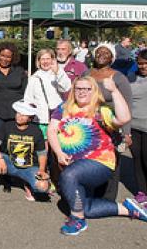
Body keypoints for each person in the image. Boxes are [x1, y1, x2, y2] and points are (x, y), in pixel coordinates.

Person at [47, 76, 147, 235]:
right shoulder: (63, 107)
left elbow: (124, 118)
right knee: (84, 207)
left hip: (99, 162)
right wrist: (59, 153)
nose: (82, 92)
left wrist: (114, 90)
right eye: (78, 88)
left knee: (69, 176)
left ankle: (78, 221)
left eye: (87, 89)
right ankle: (128, 209)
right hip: (72, 164)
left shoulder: (101, 110)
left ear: (94, 91)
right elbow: (51, 130)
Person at [0, 101, 49, 201]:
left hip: (29, 167)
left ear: (30, 118)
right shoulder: (7, 125)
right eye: (18, 113)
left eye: (24, 115)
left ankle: (27, 183)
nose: (20, 116)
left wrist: (41, 170)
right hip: (9, 164)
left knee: (43, 188)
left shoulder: (36, 130)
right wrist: (0, 158)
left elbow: (42, 153)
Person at [87, 43, 133, 201]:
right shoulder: (87, 74)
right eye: (99, 52)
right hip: (89, 126)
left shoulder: (118, 77)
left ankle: (107, 198)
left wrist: (126, 132)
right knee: (91, 159)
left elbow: (127, 105)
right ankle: (92, 192)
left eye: (106, 53)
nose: (101, 55)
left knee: (111, 160)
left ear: (112, 58)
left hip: (111, 126)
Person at [0, 42, 27, 150]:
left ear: (13, 58)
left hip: (15, 114)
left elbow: (25, 92)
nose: (5, 59)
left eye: (8, 57)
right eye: (2, 55)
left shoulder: (19, 71)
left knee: (12, 146)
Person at [24, 48, 71, 140]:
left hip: (57, 118)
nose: (45, 62)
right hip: (41, 119)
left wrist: (58, 72)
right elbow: (28, 98)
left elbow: (66, 87)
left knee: (58, 145)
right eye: (42, 59)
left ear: (53, 60)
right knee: (43, 147)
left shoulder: (58, 73)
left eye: (48, 59)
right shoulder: (34, 78)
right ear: (38, 61)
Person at [129, 49, 147, 204]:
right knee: (137, 159)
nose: (143, 66)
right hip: (134, 126)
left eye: (146, 63)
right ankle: (142, 191)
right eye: (140, 63)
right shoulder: (131, 77)